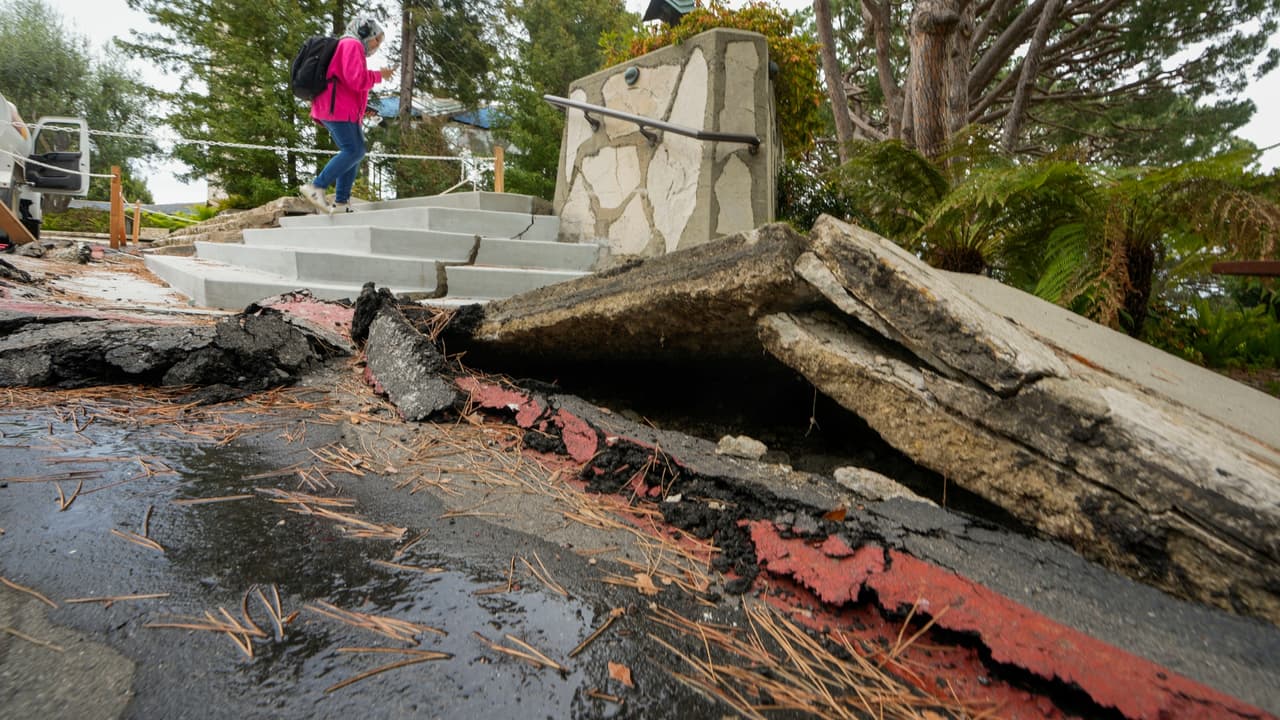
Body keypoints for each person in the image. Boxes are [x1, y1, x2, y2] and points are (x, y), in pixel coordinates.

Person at [298, 15, 395, 214]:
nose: (377, 45)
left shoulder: (349, 46)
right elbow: (356, 80)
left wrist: (364, 110)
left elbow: (347, 82)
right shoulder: (352, 44)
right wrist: (379, 76)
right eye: (376, 38)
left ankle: (342, 202)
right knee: (354, 150)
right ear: (364, 31)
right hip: (336, 108)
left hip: (344, 110)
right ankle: (316, 187)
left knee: (355, 151)